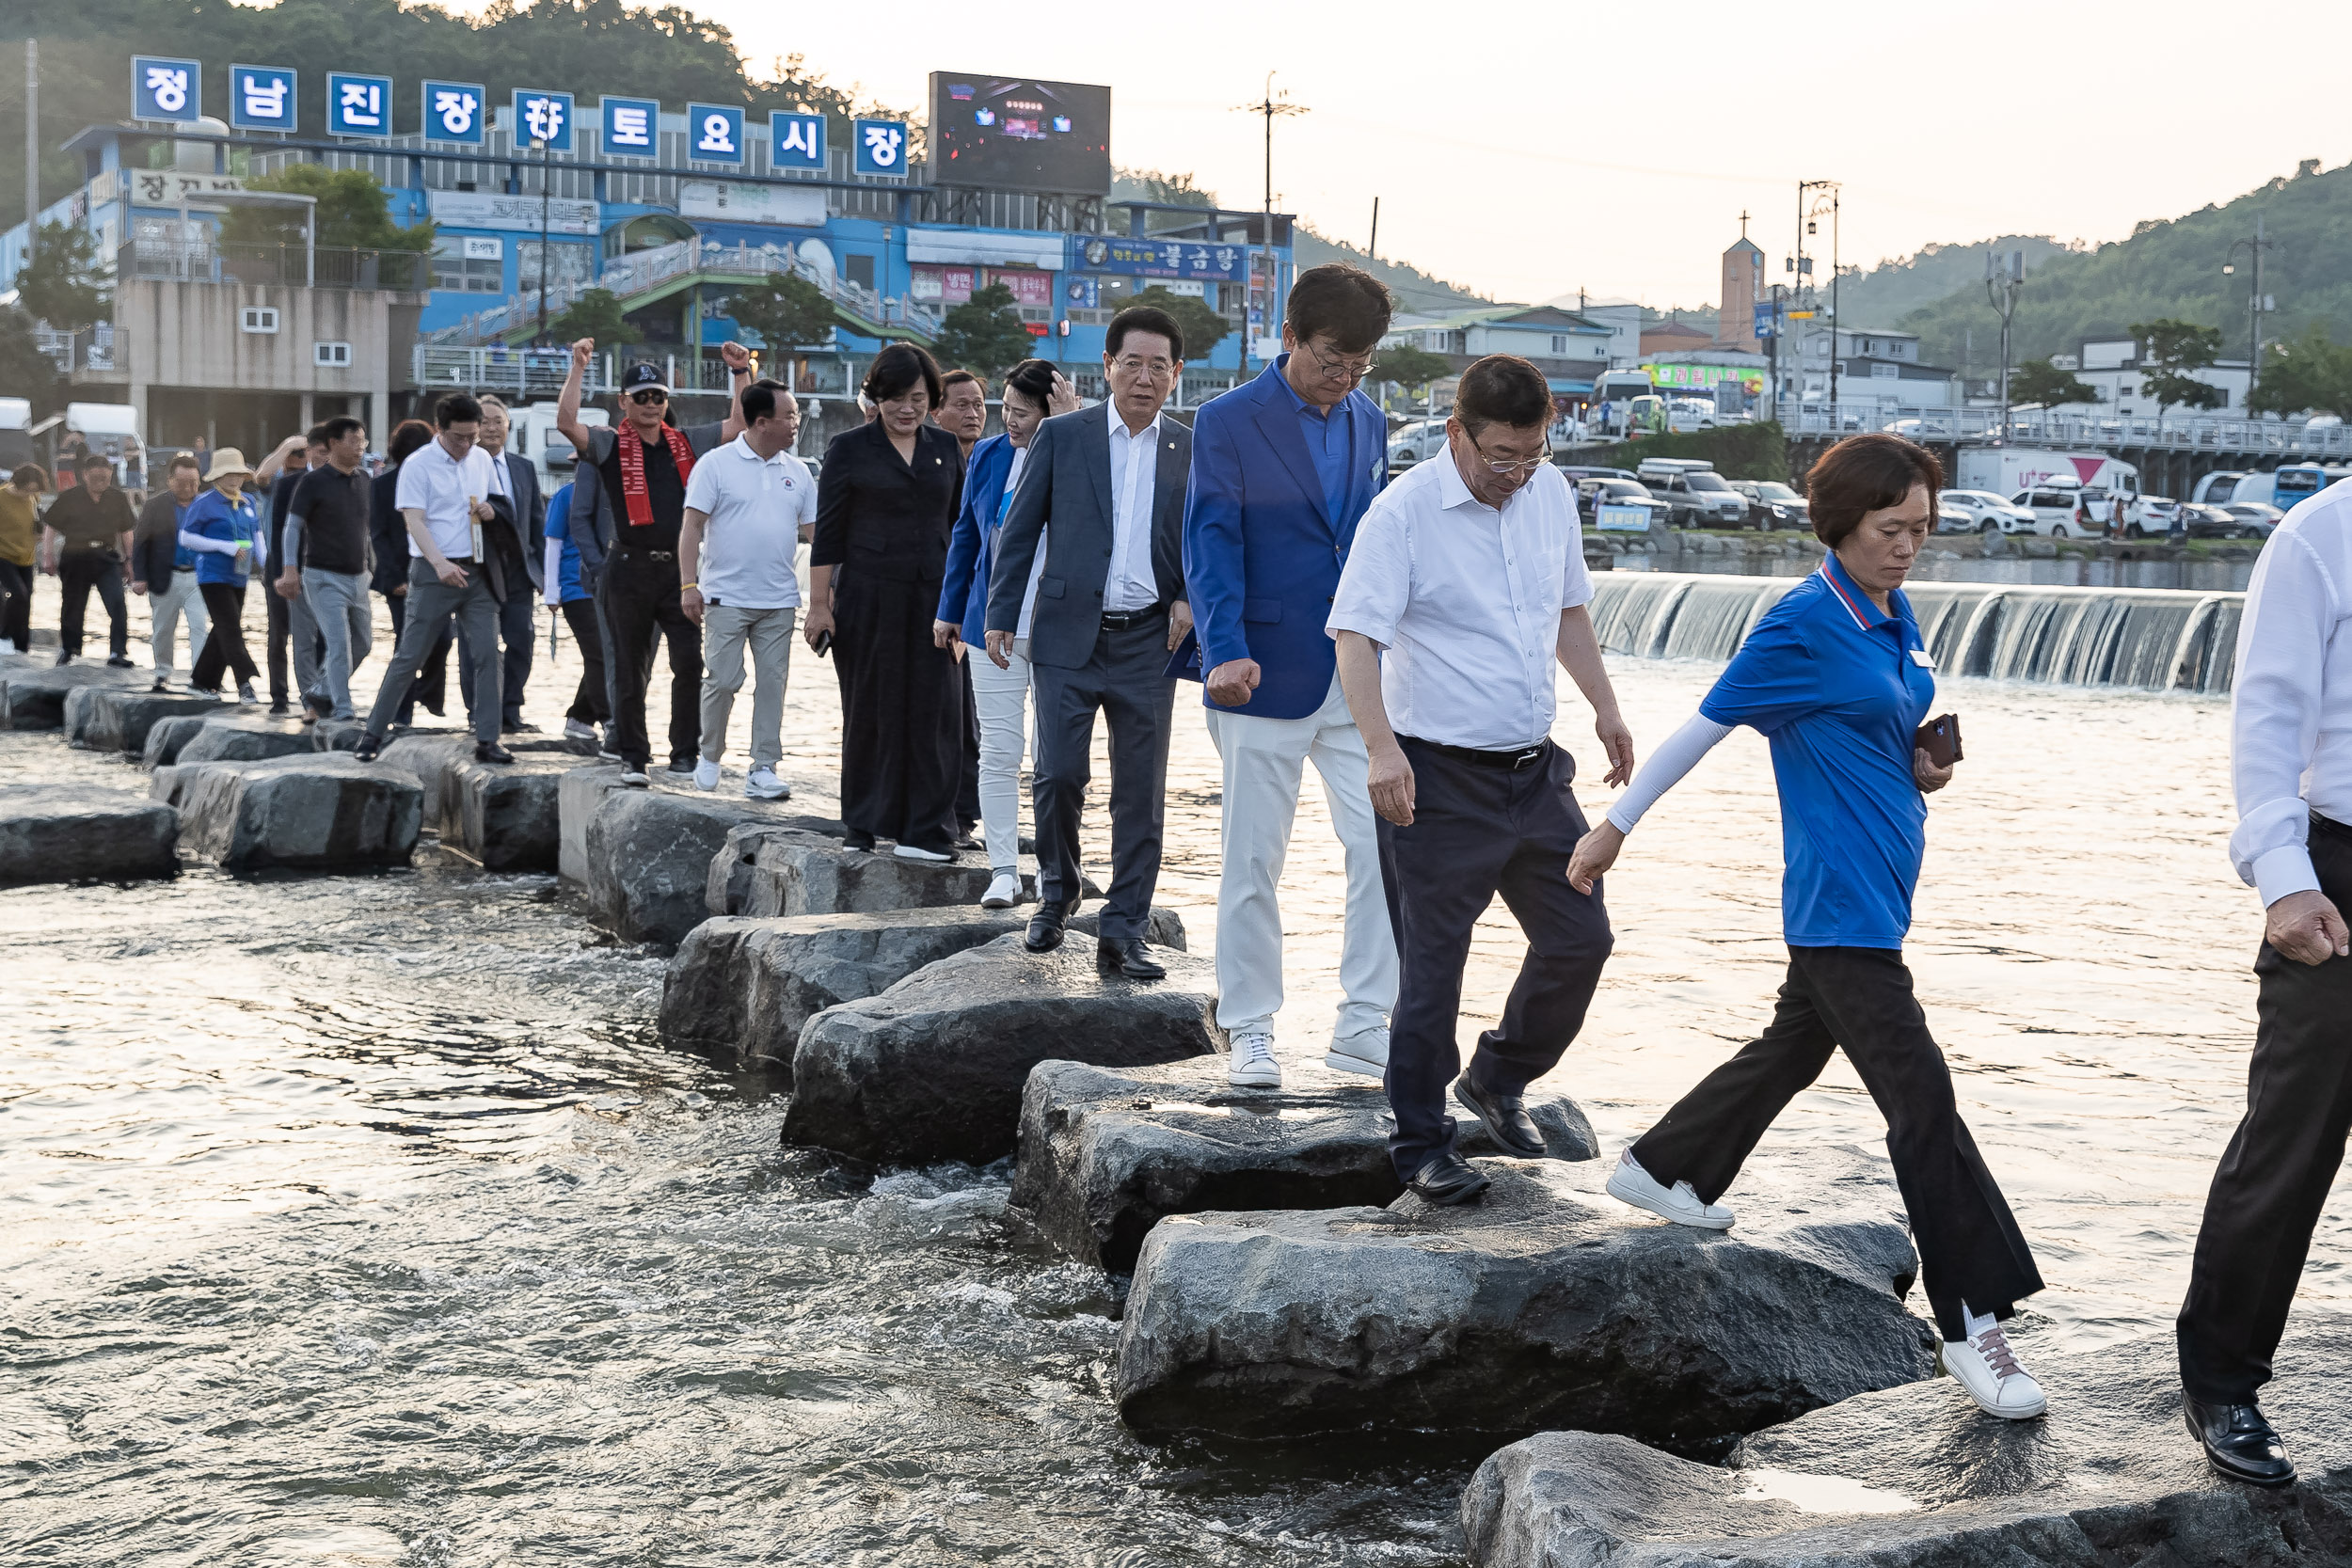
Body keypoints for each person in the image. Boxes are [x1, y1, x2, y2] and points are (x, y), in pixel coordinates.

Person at [1565, 433, 2048, 1421]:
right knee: (1922, 1098)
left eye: (1923, 527)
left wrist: (1921, 765)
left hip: (1877, 897)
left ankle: (1663, 1166)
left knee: (1791, 1047)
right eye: (1890, 528)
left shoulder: (1890, 612)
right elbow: (1700, 730)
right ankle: (1971, 1323)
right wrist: (1611, 827)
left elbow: (1879, 726)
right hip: (1836, 908)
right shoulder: (1796, 626)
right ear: (1839, 524)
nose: (1910, 544)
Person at [1329, 355, 1633, 1204]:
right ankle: (1419, 1141)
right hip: (1435, 778)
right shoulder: (1402, 515)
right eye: (1502, 455)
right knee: (1433, 968)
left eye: (1532, 453)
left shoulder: (1550, 494)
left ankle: (1497, 1078)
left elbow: (1567, 609)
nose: (1517, 473)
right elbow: (1356, 638)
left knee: (1581, 938)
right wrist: (1381, 751)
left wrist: (1605, 709)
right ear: (1457, 432)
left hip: (1535, 775)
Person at [1183, 261, 1401, 1087]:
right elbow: (1210, 540)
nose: (1342, 379)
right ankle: (1250, 1028)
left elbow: (1368, 548)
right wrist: (1222, 646)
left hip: (1355, 674)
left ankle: (1362, 1021)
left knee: (1385, 843)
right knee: (1252, 859)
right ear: (1289, 337)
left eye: (1358, 365)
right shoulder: (1227, 420)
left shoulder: (1370, 422)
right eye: (1329, 361)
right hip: (1259, 668)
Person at [2175, 475, 2352, 1488]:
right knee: (2291, 1139)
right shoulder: (2318, 535)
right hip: (2337, 874)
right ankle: (2221, 1381)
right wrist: (2282, 880)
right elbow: (2265, 719)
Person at [983, 309, 1193, 976]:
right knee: (1058, 775)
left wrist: (1191, 594)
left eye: (1159, 365)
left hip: (1149, 641)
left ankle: (1125, 925)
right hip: (1068, 633)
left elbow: (1205, 535)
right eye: (1131, 362)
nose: (1144, 376)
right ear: (1106, 366)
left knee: (1141, 790)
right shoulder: (1062, 435)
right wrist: (1000, 613)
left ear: (1176, 375)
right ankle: (1057, 892)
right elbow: (1019, 529)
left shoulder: (1189, 447)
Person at [556, 340, 752, 784]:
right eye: (641, 397)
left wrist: (741, 374)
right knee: (629, 666)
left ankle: (684, 754)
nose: (650, 404)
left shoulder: (686, 442)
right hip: (626, 569)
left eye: (658, 396)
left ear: (667, 401)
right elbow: (566, 422)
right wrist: (578, 368)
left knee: (688, 663)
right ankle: (633, 757)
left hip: (678, 572)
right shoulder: (608, 444)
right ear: (624, 402)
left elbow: (740, 423)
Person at [808, 342, 965, 858]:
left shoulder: (946, 448)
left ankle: (926, 829)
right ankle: (863, 822)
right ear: (875, 397)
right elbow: (827, 535)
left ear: (932, 398)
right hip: (867, 597)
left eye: (918, 397)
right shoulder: (848, 448)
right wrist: (818, 605)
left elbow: (963, 531)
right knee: (870, 708)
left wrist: (965, 605)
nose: (907, 408)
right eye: (895, 397)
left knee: (935, 711)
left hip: (936, 602)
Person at [934, 359, 1079, 905]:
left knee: (1055, 757)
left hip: (1060, 629)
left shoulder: (1080, 453)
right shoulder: (991, 456)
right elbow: (966, 536)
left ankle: (1051, 869)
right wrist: (949, 610)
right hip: (988, 625)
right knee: (998, 749)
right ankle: (1001, 869)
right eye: (1006, 411)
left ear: (1050, 411)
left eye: (1022, 413)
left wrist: (1070, 430)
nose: (1008, 422)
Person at [353, 393, 514, 766]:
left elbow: (499, 504)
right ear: (440, 430)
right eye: (459, 437)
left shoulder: (481, 459)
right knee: (409, 655)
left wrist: (491, 510)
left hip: (477, 570)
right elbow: (413, 520)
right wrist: (439, 564)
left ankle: (488, 738)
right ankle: (373, 733)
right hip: (431, 572)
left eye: (473, 436)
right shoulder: (418, 464)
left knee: (489, 652)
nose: (467, 444)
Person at [677, 379, 816, 800]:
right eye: (788, 415)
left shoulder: (800, 472)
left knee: (773, 683)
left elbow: (814, 535)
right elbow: (691, 529)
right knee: (722, 679)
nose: (795, 422)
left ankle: (763, 766)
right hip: (725, 597)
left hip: (779, 599)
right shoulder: (716, 465)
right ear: (760, 422)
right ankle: (710, 754)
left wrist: (827, 597)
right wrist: (688, 584)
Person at [284, 417, 375, 721]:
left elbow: (366, 530)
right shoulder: (312, 482)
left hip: (359, 577)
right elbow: (292, 528)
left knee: (363, 644)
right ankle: (343, 711)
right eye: (354, 441)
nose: (360, 447)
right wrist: (290, 569)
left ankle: (319, 692)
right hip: (323, 577)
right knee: (339, 644)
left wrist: (373, 568)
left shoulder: (364, 479)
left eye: (362, 441)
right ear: (334, 443)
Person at [466, 395, 545, 734]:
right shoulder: (465, 465)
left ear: (509, 427)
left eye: (499, 421)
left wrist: (541, 571)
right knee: (477, 644)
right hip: (479, 567)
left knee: (521, 639)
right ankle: (478, 712)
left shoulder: (523, 467)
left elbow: (536, 521)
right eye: (484, 421)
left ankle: (511, 710)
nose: (492, 427)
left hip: (518, 569)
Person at [370, 420, 453, 730]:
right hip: (399, 579)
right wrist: (394, 579)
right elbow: (378, 535)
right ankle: (401, 713)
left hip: (436, 571)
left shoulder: (438, 480)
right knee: (406, 647)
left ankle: (427, 694)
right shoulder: (382, 485)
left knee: (443, 639)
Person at [38, 451, 137, 667]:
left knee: (118, 603)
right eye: (95, 478)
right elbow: (50, 526)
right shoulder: (69, 497)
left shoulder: (117, 498)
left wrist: (130, 560)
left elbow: (126, 530)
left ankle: (117, 652)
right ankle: (70, 649)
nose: (100, 482)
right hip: (75, 555)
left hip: (107, 557)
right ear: (84, 475)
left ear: (110, 475)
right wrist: (47, 557)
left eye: (104, 478)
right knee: (73, 605)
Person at [180, 449, 264, 703]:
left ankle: (202, 681)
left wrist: (267, 563)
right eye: (228, 474)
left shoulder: (248, 502)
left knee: (224, 629)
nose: (234, 479)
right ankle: (245, 681)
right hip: (213, 576)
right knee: (231, 628)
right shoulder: (204, 503)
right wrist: (223, 546)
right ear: (217, 476)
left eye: (238, 474)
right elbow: (186, 537)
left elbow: (257, 536)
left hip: (239, 575)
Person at [256, 432, 325, 715]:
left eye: (302, 454)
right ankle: (279, 698)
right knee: (278, 634)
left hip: (312, 562)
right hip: (278, 562)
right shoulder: (277, 484)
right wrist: (287, 445)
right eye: (292, 457)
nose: (296, 460)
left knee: (317, 634)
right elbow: (261, 475)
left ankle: (316, 695)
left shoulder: (314, 482)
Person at [132, 452, 211, 690]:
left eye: (193, 483)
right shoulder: (155, 505)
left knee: (199, 627)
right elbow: (140, 542)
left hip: (199, 576)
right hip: (164, 575)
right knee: (163, 629)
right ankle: (162, 673)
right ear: (169, 480)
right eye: (182, 482)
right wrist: (139, 577)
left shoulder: (206, 505)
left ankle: (201, 676)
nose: (188, 488)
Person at [540, 480, 609, 749]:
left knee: (604, 654)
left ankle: (580, 718)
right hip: (575, 588)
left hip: (609, 588)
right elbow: (553, 543)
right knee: (599, 653)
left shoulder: (617, 488)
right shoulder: (566, 494)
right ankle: (608, 717)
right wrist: (550, 591)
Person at [0, 466, 42, 655]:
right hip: (3, 555)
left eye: (34, 490)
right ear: (17, 483)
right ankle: (4, 635)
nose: (30, 493)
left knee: (27, 599)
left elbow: (36, 522)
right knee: (19, 594)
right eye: (27, 489)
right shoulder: (2, 497)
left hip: (26, 556)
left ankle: (21, 644)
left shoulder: (33, 498)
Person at [936, 370, 989, 466]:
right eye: (962, 405)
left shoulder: (996, 459)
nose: (973, 415)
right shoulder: (921, 459)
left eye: (978, 405)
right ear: (935, 413)